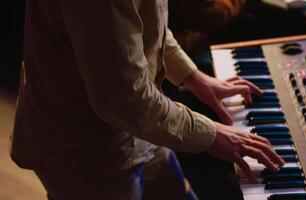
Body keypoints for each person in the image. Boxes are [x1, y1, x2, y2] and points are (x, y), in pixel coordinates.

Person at [10, 0, 284, 199]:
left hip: (138, 130)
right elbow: (125, 101)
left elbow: (149, 22)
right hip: (83, 149)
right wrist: (211, 134)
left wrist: (194, 78)